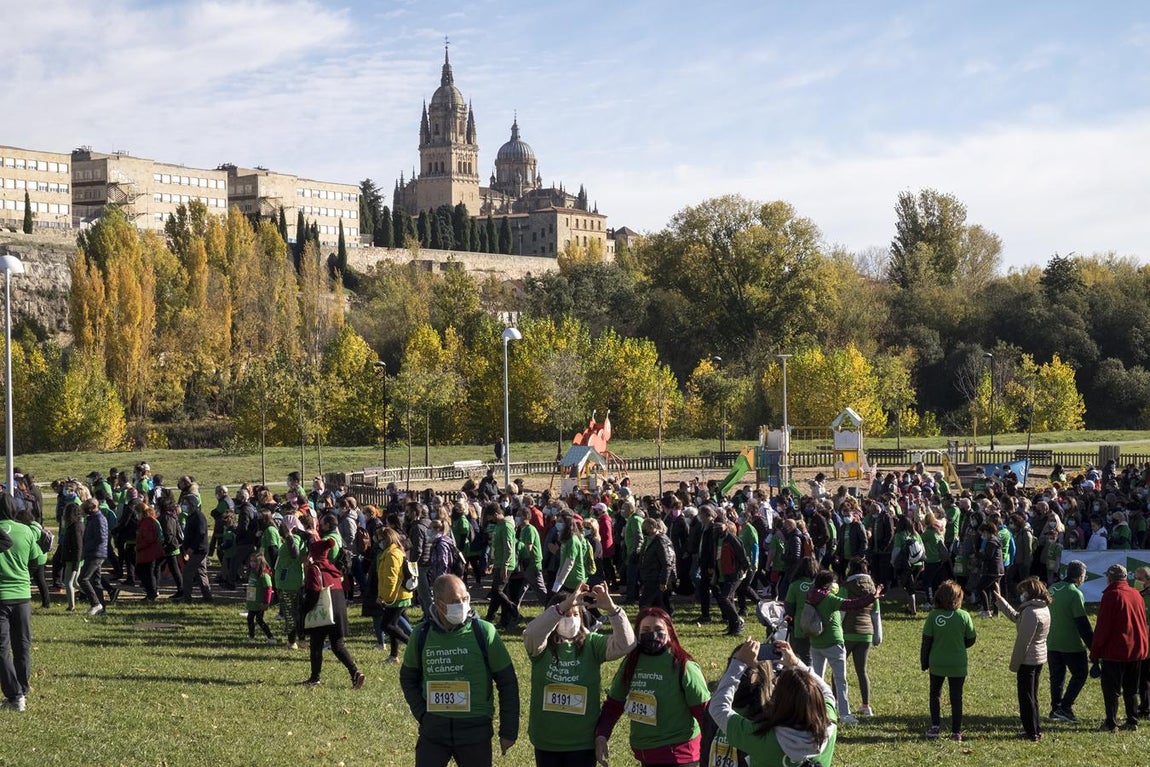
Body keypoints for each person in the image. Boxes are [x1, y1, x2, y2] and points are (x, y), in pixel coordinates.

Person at [400, 574, 520, 767]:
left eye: (465, 599)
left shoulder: (485, 632)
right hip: (434, 732)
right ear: (439, 605)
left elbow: (508, 683)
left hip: (475, 732)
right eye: (456, 601)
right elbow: (408, 677)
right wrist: (422, 714)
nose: (463, 605)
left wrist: (508, 731)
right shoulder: (421, 635)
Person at [523, 583, 635, 766]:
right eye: (566, 615)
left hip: (582, 743)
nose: (570, 619)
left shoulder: (592, 644)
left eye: (575, 615)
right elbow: (531, 634)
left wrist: (612, 610)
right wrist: (563, 606)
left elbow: (626, 644)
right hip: (547, 742)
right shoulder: (540, 648)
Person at [595, 607, 709, 766]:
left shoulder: (683, 666)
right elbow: (614, 704)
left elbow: (704, 712)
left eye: (658, 629)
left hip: (679, 755)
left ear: (669, 632)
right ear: (638, 633)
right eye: (646, 630)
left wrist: (714, 750)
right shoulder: (631, 663)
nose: (652, 634)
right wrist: (602, 735)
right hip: (646, 754)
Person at [709, 638, 838, 766]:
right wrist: (797, 663)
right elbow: (827, 692)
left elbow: (718, 708)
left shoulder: (760, 737)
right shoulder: (830, 726)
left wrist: (739, 663)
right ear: (819, 701)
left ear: (778, 701)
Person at [805, 569, 881, 725]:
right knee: (841, 680)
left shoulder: (810, 596)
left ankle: (815, 711)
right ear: (827, 584)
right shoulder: (830, 599)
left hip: (815, 643)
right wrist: (873, 596)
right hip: (833, 643)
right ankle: (844, 714)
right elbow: (853, 605)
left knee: (816, 680)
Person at [299, 537, 365, 689]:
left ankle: (315, 678)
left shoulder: (315, 569)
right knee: (338, 645)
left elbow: (313, 593)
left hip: (323, 611)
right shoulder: (334, 569)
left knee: (316, 644)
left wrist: (304, 609)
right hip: (338, 611)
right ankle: (355, 672)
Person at [1091, 563, 1149, 732]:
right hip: (1136, 649)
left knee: (1111, 690)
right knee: (1131, 688)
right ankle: (1132, 720)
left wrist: (1095, 651)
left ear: (1109, 578)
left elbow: (1103, 626)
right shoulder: (1136, 594)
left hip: (1115, 650)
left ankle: (1111, 722)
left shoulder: (1111, 595)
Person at [0, 495, 45, 712]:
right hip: (22, 595)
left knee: (2, 649)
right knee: (22, 645)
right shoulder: (25, 531)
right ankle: (22, 690)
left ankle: (14, 695)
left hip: (1, 597)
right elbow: (39, 560)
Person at [995, 576, 1051, 741]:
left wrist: (1014, 664)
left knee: (1026, 697)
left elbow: (1023, 642)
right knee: (1033, 696)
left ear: (1030, 592)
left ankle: (1031, 732)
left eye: (1024, 591)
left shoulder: (1031, 612)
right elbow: (1016, 617)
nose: (1022, 594)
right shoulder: (1041, 608)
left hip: (1028, 660)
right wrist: (1001, 601)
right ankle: (1035, 729)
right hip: (1039, 657)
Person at [921, 580, 976, 741]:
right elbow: (971, 639)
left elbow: (926, 642)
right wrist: (960, 645)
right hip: (958, 663)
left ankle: (935, 726)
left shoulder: (933, 616)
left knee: (935, 694)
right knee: (956, 697)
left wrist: (924, 662)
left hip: (937, 662)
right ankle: (956, 731)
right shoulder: (964, 616)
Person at [1048, 560, 1093, 722]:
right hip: (1071, 644)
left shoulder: (1052, 588)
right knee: (1080, 674)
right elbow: (1082, 623)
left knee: (1057, 676)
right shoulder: (1075, 593)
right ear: (1081, 576)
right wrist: (1093, 646)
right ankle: (1065, 707)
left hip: (1052, 641)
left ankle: (1055, 708)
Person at [842, 556, 880, 717]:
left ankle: (838, 701)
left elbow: (842, 610)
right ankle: (866, 705)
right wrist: (878, 634)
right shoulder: (872, 588)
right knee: (862, 671)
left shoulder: (847, 586)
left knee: (839, 670)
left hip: (848, 632)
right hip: (866, 634)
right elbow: (875, 613)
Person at [374, 527, 413, 664]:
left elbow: (391, 578)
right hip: (398, 595)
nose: (377, 542)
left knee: (387, 625)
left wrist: (383, 596)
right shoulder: (393, 552)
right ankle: (394, 655)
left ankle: (413, 646)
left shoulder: (392, 554)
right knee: (393, 625)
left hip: (397, 596)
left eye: (379, 539)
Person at [180, 489, 212, 603]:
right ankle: (207, 597)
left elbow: (200, 534)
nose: (184, 506)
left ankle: (187, 597)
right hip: (197, 550)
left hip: (198, 550)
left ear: (192, 504)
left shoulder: (198, 517)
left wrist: (191, 549)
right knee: (201, 573)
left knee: (188, 573)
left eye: (186, 503)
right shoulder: (192, 516)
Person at [245, 552, 276, 643]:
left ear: (260, 563)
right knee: (250, 619)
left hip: (260, 603)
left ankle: (270, 637)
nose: (252, 563)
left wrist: (266, 602)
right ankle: (251, 637)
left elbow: (268, 589)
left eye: (255, 561)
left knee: (259, 620)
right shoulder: (252, 573)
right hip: (252, 602)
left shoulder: (264, 575)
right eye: (251, 561)